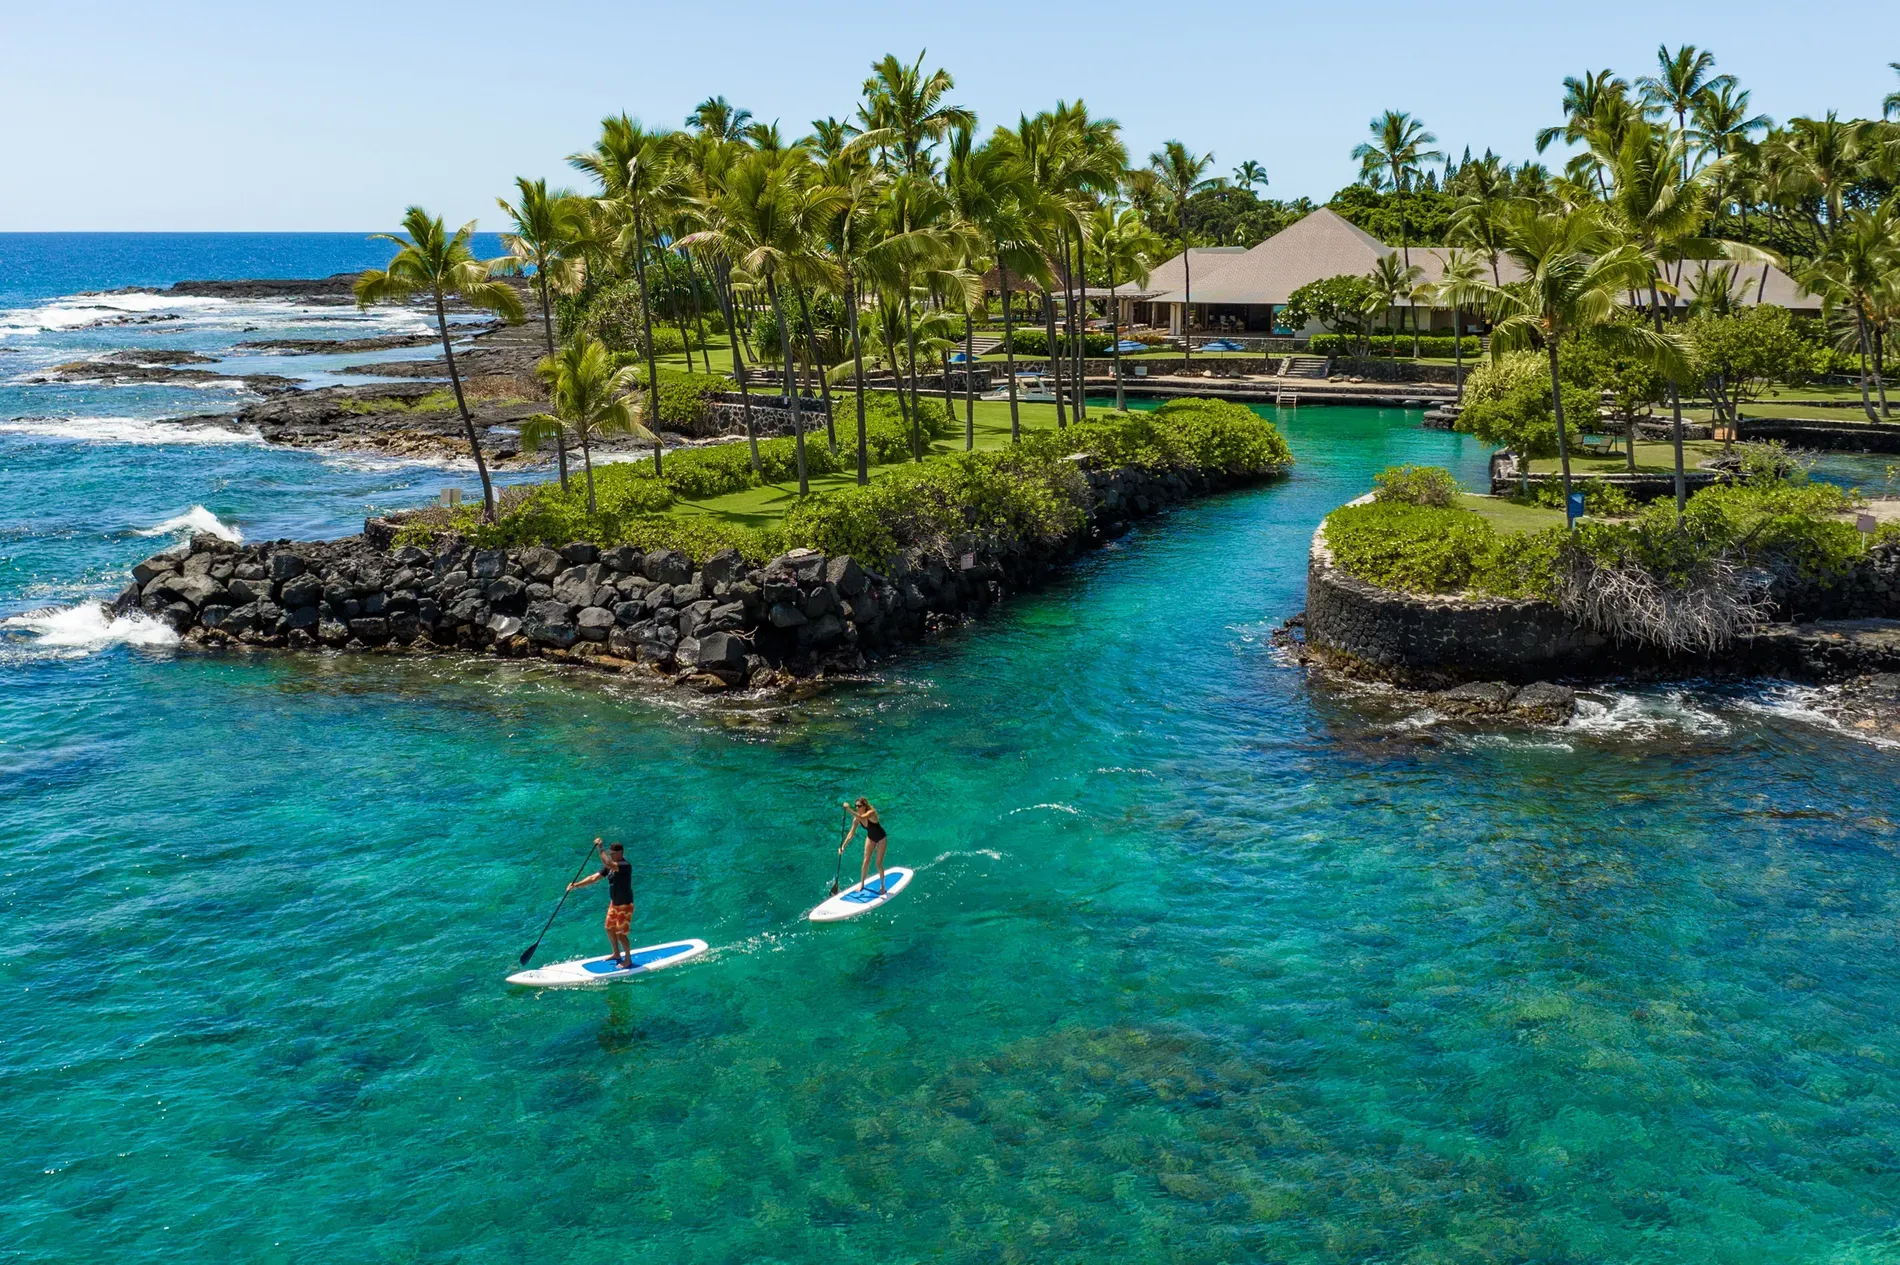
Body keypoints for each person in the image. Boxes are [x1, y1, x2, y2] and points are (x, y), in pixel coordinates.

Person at [567, 838, 634, 968]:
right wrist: (576, 885)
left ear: (620, 852)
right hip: (614, 904)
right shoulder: (609, 866)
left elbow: (607, 862)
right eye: (610, 853)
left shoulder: (625, 866)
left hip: (625, 905)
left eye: (613, 853)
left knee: (620, 933)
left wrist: (600, 848)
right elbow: (593, 878)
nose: (611, 855)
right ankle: (616, 953)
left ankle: (628, 959)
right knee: (609, 928)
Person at [839, 798, 889, 895]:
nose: (857, 808)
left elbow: (863, 818)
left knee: (878, 863)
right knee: (865, 861)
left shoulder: (871, 813)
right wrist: (843, 847)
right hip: (870, 838)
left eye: (859, 806)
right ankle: (862, 884)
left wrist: (848, 809)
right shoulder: (856, 819)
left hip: (881, 839)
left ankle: (883, 886)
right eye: (856, 806)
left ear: (865, 806)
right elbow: (851, 834)